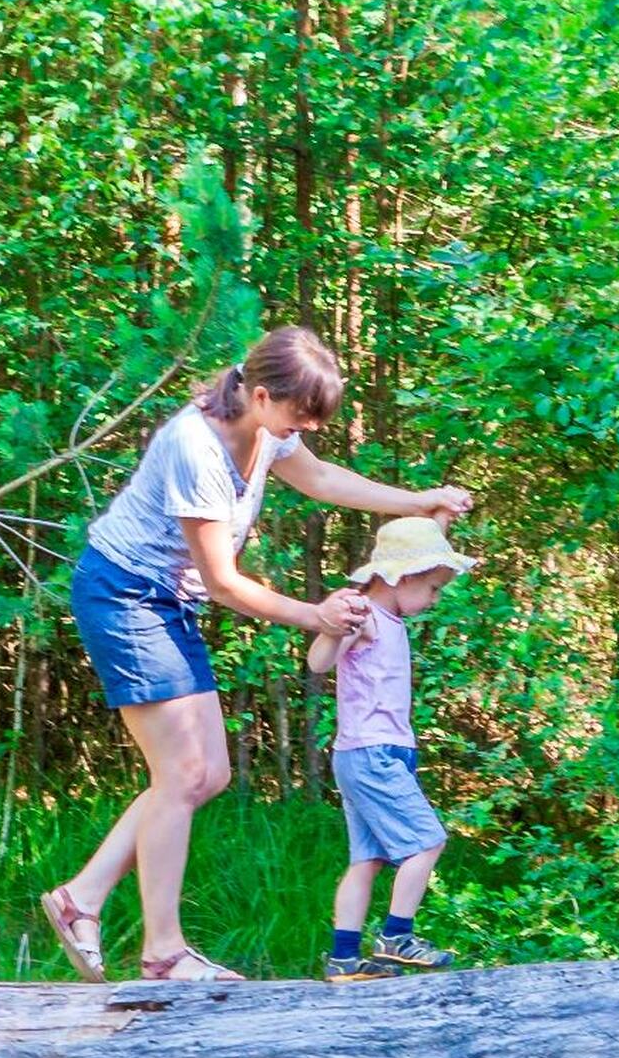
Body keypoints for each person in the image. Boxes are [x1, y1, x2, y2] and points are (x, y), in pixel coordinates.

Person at [40, 328, 472, 983]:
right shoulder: (197, 448)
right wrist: (315, 616)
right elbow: (224, 582)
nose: (303, 429)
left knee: (205, 775)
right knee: (183, 775)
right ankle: (163, 953)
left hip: (168, 603)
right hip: (124, 596)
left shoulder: (267, 426)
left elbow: (321, 477)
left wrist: (420, 501)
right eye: (300, 416)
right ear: (261, 395)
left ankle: (83, 897)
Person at [310, 515, 476, 982]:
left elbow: (418, 539)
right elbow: (319, 662)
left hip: (381, 751)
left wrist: (441, 512)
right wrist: (332, 628)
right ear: (401, 578)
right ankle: (396, 936)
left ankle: (343, 957)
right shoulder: (365, 618)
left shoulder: (391, 616)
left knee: (368, 859)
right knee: (428, 841)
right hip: (371, 752)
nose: (435, 599)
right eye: (433, 588)